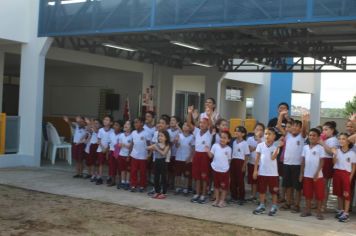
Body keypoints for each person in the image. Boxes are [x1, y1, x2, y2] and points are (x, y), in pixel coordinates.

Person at [277, 112, 309, 213]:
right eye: (293, 126)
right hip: (287, 164)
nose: (294, 128)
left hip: (297, 165)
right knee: (288, 186)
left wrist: (304, 120)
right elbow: (278, 125)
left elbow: (304, 130)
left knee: (297, 187)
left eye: (297, 126)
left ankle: (297, 204)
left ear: (300, 129)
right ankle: (288, 202)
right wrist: (281, 115)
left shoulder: (302, 136)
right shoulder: (288, 135)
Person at [253, 127, 282, 216]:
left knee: (274, 192)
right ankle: (262, 206)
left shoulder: (275, 147)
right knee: (262, 191)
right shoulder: (260, 145)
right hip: (262, 172)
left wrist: (277, 147)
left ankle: (274, 206)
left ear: (274, 136)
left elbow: (273, 157)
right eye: (266, 134)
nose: (267, 136)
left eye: (269, 134)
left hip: (273, 174)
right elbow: (257, 159)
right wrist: (255, 170)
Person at [187, 105, 213, 204]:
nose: (202, 124)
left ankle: (203, 195)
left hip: (205, 156)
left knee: (204, 177)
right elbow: (189, 123)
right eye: (201, 122)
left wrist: (209, 115)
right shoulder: (197, 131)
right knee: (197, 176)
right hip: (197, 155)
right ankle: (197, 193)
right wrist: (189, 112)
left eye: (204, 123)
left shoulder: (210, 133)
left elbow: (211, 125)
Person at [299, 128, 325, 220]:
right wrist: (301, 173)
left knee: (319, 195)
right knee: (308, 194)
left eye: (314, 135)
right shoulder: (305, 147)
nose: (312, 137)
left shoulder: (320, 148)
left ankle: (319, 212)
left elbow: (322, 162)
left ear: (318, 137)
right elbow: (303, 161)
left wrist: (317, 172)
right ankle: (308, 210)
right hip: (307, 175)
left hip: (318, 176)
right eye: (310, 135)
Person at [332, 133, 356, 223]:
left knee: (346, 194)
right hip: (337, 172)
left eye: (343, 139)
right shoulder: (336, 151)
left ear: (348, 141)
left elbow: (354, 167)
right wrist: (334, 154)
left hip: (346, 174)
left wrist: (350, 177)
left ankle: (346, 213)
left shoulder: (352, 153)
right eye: (340, 139)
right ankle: (341, 210)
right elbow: (334, 163)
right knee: (339, 193)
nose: (341, 140)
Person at [206, 130, 232, 208]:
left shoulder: (229, 149)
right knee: (216, 186)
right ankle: (217, 200)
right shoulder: (215, 146)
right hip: (215, 169)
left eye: (225, 138)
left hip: (224, 171)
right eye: (221, 137)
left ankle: (222, 201)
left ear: (228, 140)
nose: (222, 139)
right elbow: (211, 156)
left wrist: (226, 169)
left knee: (224, 187)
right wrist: (207, 151)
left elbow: (229, 160)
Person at [320, 121, 339, 210]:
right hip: (321, 161)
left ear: (332, 130)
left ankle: (324, 204)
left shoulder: (334, 140)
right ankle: (318, 203)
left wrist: (322, 143)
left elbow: (331, 152)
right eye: (323, 130)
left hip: (327, 162)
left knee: (324, 185)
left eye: (326, 129)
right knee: (319, 184)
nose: (324, 131)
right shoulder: (325, 139)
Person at [147, 131, 171, 199]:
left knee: (163, 177)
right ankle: (157, 192)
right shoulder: (156, 144)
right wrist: (150, 146)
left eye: (162, 136)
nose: (160, 137)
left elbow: (163, 153)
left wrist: (156, 148)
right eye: (159, 136)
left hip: (163, 162)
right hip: (157, 161)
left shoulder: (167, 145)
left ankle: (164, 193)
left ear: (166, 138)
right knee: (156, 177)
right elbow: (148, 147)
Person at [230, 126, 250, 205]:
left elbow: (246, 155)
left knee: (240, 181)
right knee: (233, 180)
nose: (236, 133)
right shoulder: (234, 142)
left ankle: (241, 197)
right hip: (233, 161)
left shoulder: (245, 143)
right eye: (235, 131)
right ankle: (233, 196)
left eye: (238, 131)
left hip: (241, 162)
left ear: (243, 134)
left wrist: (244, 166)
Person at [130, 117, 151, 192]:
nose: (135, 124)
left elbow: (149, 145)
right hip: (134, 155)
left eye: (137, 122)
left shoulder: (146, 133)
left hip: (143, 156)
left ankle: (142, 185)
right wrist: (130, 153)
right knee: (133, 171)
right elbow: (132, 143)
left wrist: (149, 155)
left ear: (142, 123)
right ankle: (133, 185)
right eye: (134, 122)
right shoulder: (133, 132)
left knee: (143, 172)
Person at [174, 122, 194, 195]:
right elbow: (176, 146)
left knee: (186, 174)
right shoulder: (179, 135)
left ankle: (185, 188)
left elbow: (193, 148)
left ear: (190, 128)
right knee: (178, 173)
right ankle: (177, 187)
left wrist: (190, 157)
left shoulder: (192, 137)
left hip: (187, 158)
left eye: (187, 125)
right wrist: (176, 141)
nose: (185, 126)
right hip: (179, 157)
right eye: (184, 125)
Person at [246, 123, 265, 202]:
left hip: (261, 164)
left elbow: (263, 150)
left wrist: (259, 142)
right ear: (254, 130)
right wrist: (257, 145)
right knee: (253, 180)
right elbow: (249, 150)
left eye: (261, 130)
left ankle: (262, 198)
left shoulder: (265, 139)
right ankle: (253, 195)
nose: (259, 131)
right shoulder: (250, 139)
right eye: (257, 129)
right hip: (251, 162)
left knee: (261, 181)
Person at [96, 115, 114, 185]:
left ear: (111, 123)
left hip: (109, 150)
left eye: (107, 120)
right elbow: (99, 140)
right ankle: (99, 177)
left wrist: (107, 149)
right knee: (100, 164)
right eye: (104, 119)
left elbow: (111, 141)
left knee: (109, 164)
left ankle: (109, 177)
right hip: (100, 149)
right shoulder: (100, 130)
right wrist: (103, 148)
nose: (105, 121)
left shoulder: (112, 131)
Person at [117, 120, 133, 190]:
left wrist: (125, 145)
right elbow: (119, 144)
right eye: (125, 123)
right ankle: (123, 182)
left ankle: (127, 182)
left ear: (131, 127)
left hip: (128, 155)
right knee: (122, 169)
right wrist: (120, 145)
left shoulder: (132, 136)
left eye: (128, 124)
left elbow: (131, 146)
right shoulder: (121, 135)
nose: (126, 125)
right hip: (121, 154)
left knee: (128, 169)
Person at [168, 116, 181, 189]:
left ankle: (174, 184)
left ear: (177, 123)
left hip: (177, 154)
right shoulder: (168, 131)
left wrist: (178, 128)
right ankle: (168, 183)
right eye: (171, 120)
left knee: (175, 170)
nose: (171, 121)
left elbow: (183, 135)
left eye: (173, 120)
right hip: (169, 153)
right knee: (169, 170)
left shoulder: (179, 131)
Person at [107, 121, 122, 187]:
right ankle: (113, 181)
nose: (115, 126)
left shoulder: (122, 135)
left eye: (117, 125)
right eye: (114, 125)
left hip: (119, 153)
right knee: (112, 167)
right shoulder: (111, 134)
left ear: (120, 127)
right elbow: (109, 144)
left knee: (119, 167)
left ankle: (120, 181)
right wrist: (107, 153)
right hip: (112, 151)